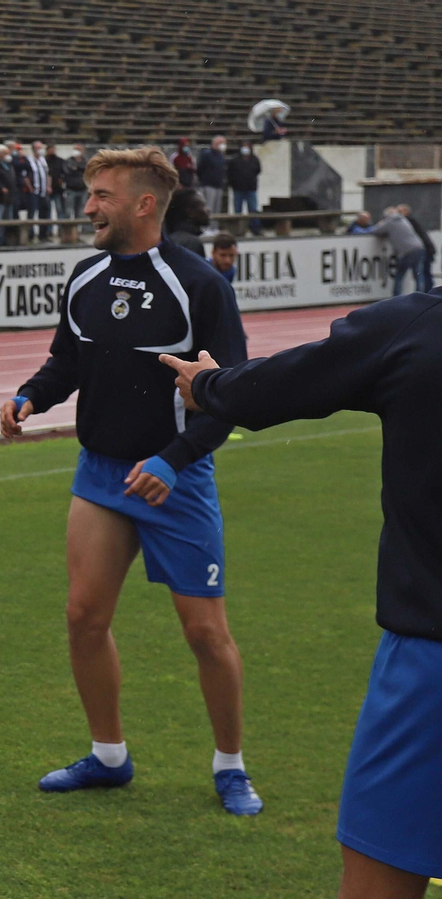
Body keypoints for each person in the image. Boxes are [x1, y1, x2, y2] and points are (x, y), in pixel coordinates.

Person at [0, 146, 257, 816]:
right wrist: (30, 396)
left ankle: (230, 765)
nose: (88, 207)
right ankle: (109, 756)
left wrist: (173, 459)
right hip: (101, 474)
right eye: (90, 195)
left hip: (178, 477)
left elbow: (229, 395)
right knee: (84, 616)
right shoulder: (85, 277)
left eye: (102, 196)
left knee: (205, 633)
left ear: (144, 204)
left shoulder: (201, 285)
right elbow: (66, 361)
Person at [159, 293, 442, 899]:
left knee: (381, 872)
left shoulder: (418, 329)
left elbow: (288, 382)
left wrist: (208, 384)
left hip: (430, 667)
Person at [374, 207, 426, 297]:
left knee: (400, 274)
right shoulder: (404, 220)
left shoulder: (389, 222)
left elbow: (376, 230)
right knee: (418, 274)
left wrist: (380, 223)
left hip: (407, 251)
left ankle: (396, 295)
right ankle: (420, 295)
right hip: (419, 247)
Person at [397, 204, 434, 293]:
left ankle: (425, 294)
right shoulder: (412, 221)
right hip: (426, 248)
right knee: (424, 274)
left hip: (424, 249)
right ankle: (427, 294)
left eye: (399, 212)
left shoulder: (407, 221)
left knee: (422, 274)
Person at [226, 142, 261, 235]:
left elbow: (258, 170)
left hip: (251, 188)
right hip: (238, 189)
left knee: (253, 210)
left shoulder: (255, 159)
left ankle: (255, 229)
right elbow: (230, 173)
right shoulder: (234, 160)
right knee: (237, 210)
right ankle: (237, 231)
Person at [163, 187, 209, 256]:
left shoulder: (167, 238)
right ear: (189, 211)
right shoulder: (192, 243)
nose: (208, 210)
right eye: (203, 205)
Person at [22, 141, 52, 241]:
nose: (42, 149)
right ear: (34, 149)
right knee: (32, 213)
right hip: (34, 191)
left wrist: (48, 186)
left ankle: (44, 234)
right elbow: (25, 176)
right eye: (39, 147)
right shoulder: (29, 160)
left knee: (45, 213)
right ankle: (30, 234)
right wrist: (30, 188)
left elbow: (48, 174)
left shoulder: (43, 160)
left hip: (44, 192)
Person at [196, 136, 227, 229]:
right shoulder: (207, 154)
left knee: (216, 208)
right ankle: (206, 227)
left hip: (218, 185)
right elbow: (200, 168)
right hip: (208, 184)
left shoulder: (221, 155)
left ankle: (214, 228)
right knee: (209, 207)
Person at [60, 145, 89, 226]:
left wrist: (77, 168)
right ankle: (67, 231)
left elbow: (87, 170)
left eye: (78, 149)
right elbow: (68, 171)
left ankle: (78, 232)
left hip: (82, 190)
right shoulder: (68, 161)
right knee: (68, 211)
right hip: (71, 190)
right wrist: (79, 169)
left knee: (80, 212)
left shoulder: (85, 161)